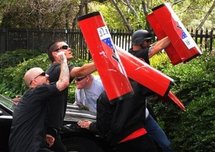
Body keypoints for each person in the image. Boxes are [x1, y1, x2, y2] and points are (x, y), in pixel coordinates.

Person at [9, 52, 70, 152]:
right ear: (34, 81)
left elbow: (32, 124)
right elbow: (64, 82)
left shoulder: (30, 97)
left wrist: (43, 136)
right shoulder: (37, 91)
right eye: (42, 74)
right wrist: (64, 60)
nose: (47, 75)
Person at [78, 79, 158, 152]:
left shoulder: (103, 98)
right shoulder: (136, 86)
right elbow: (156, 87)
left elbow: (103, 128)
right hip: (143, 139)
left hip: (123, 144)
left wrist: (90, 125)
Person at [45, 40, 97, 152]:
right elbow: (81, 71)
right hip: (49, 127)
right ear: (55, 53)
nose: (69, 49)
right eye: (64, 47)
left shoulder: (56, 69)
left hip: (50, 126)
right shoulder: (58, 69)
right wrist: (104, 60)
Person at [129, 29, 173, 152]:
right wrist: (175, 32)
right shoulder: (138, 55)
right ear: (140, 42)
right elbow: (158, 47)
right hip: (136, 109)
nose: (149, 43)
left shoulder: (131, 53)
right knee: (163, 144)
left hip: (142, 105)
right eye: (147, 41)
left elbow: (154, 46)